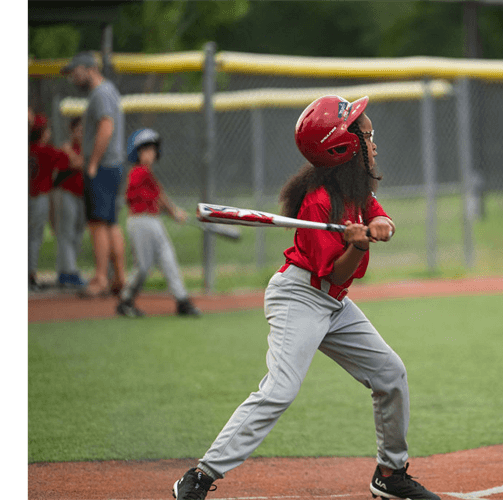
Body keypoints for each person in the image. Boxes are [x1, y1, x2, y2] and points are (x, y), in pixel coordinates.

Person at [171, 95, 440, 500]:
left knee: (390, 374)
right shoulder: (316, 202)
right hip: (299, 297)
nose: (373, 141)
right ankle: (200, 476)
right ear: (344, 147)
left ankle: (390, 473)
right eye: (366, 135)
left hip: (333, 304)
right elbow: (336, 272)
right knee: (280, 390)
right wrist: (360, 246)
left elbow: (375, 211)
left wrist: (380, 224)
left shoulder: (352, 185)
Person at [61, 51, 127, 298]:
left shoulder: (100, 94)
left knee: (98, 223)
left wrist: (93, 163)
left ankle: (101, 278)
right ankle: (119, 278)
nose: (73, 78)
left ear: (89, 69)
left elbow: (106, 127)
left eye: (75, 72)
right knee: (109, 222)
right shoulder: (107, 91)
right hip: (111, 166)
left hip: (103, 167)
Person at [116, 128, 201, 318]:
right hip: (140, 222)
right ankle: (125, 300)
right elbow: (160, 198)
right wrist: (175, 212)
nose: (150, 153)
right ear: (137, 152)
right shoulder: (138, 173)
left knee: (168, 259)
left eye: (152, 149)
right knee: (143, 267)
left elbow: (158, 199)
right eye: (145, 149)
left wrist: (174, 213)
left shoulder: (147, 174)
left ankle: (182, 301)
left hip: (153, 221)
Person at [28, 113, 66, 291]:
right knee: (34, 237)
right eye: (46, 130)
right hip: (39, 198)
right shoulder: (46, 151)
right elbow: (67, 162)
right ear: (42, 133)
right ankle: (31, 276)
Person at [53, 116, 88, 289]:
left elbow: (83, 164)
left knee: (78, 232)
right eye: (78, 130)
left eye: (84, 130)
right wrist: (76, 157)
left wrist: (75, 157)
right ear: (72, 130)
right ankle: (70, 272)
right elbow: (78, 164)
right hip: (66, 193)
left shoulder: (86, 148)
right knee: (65, 233)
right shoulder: (65, 147)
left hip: (83, 195)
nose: (81, 133)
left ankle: (64, 272)